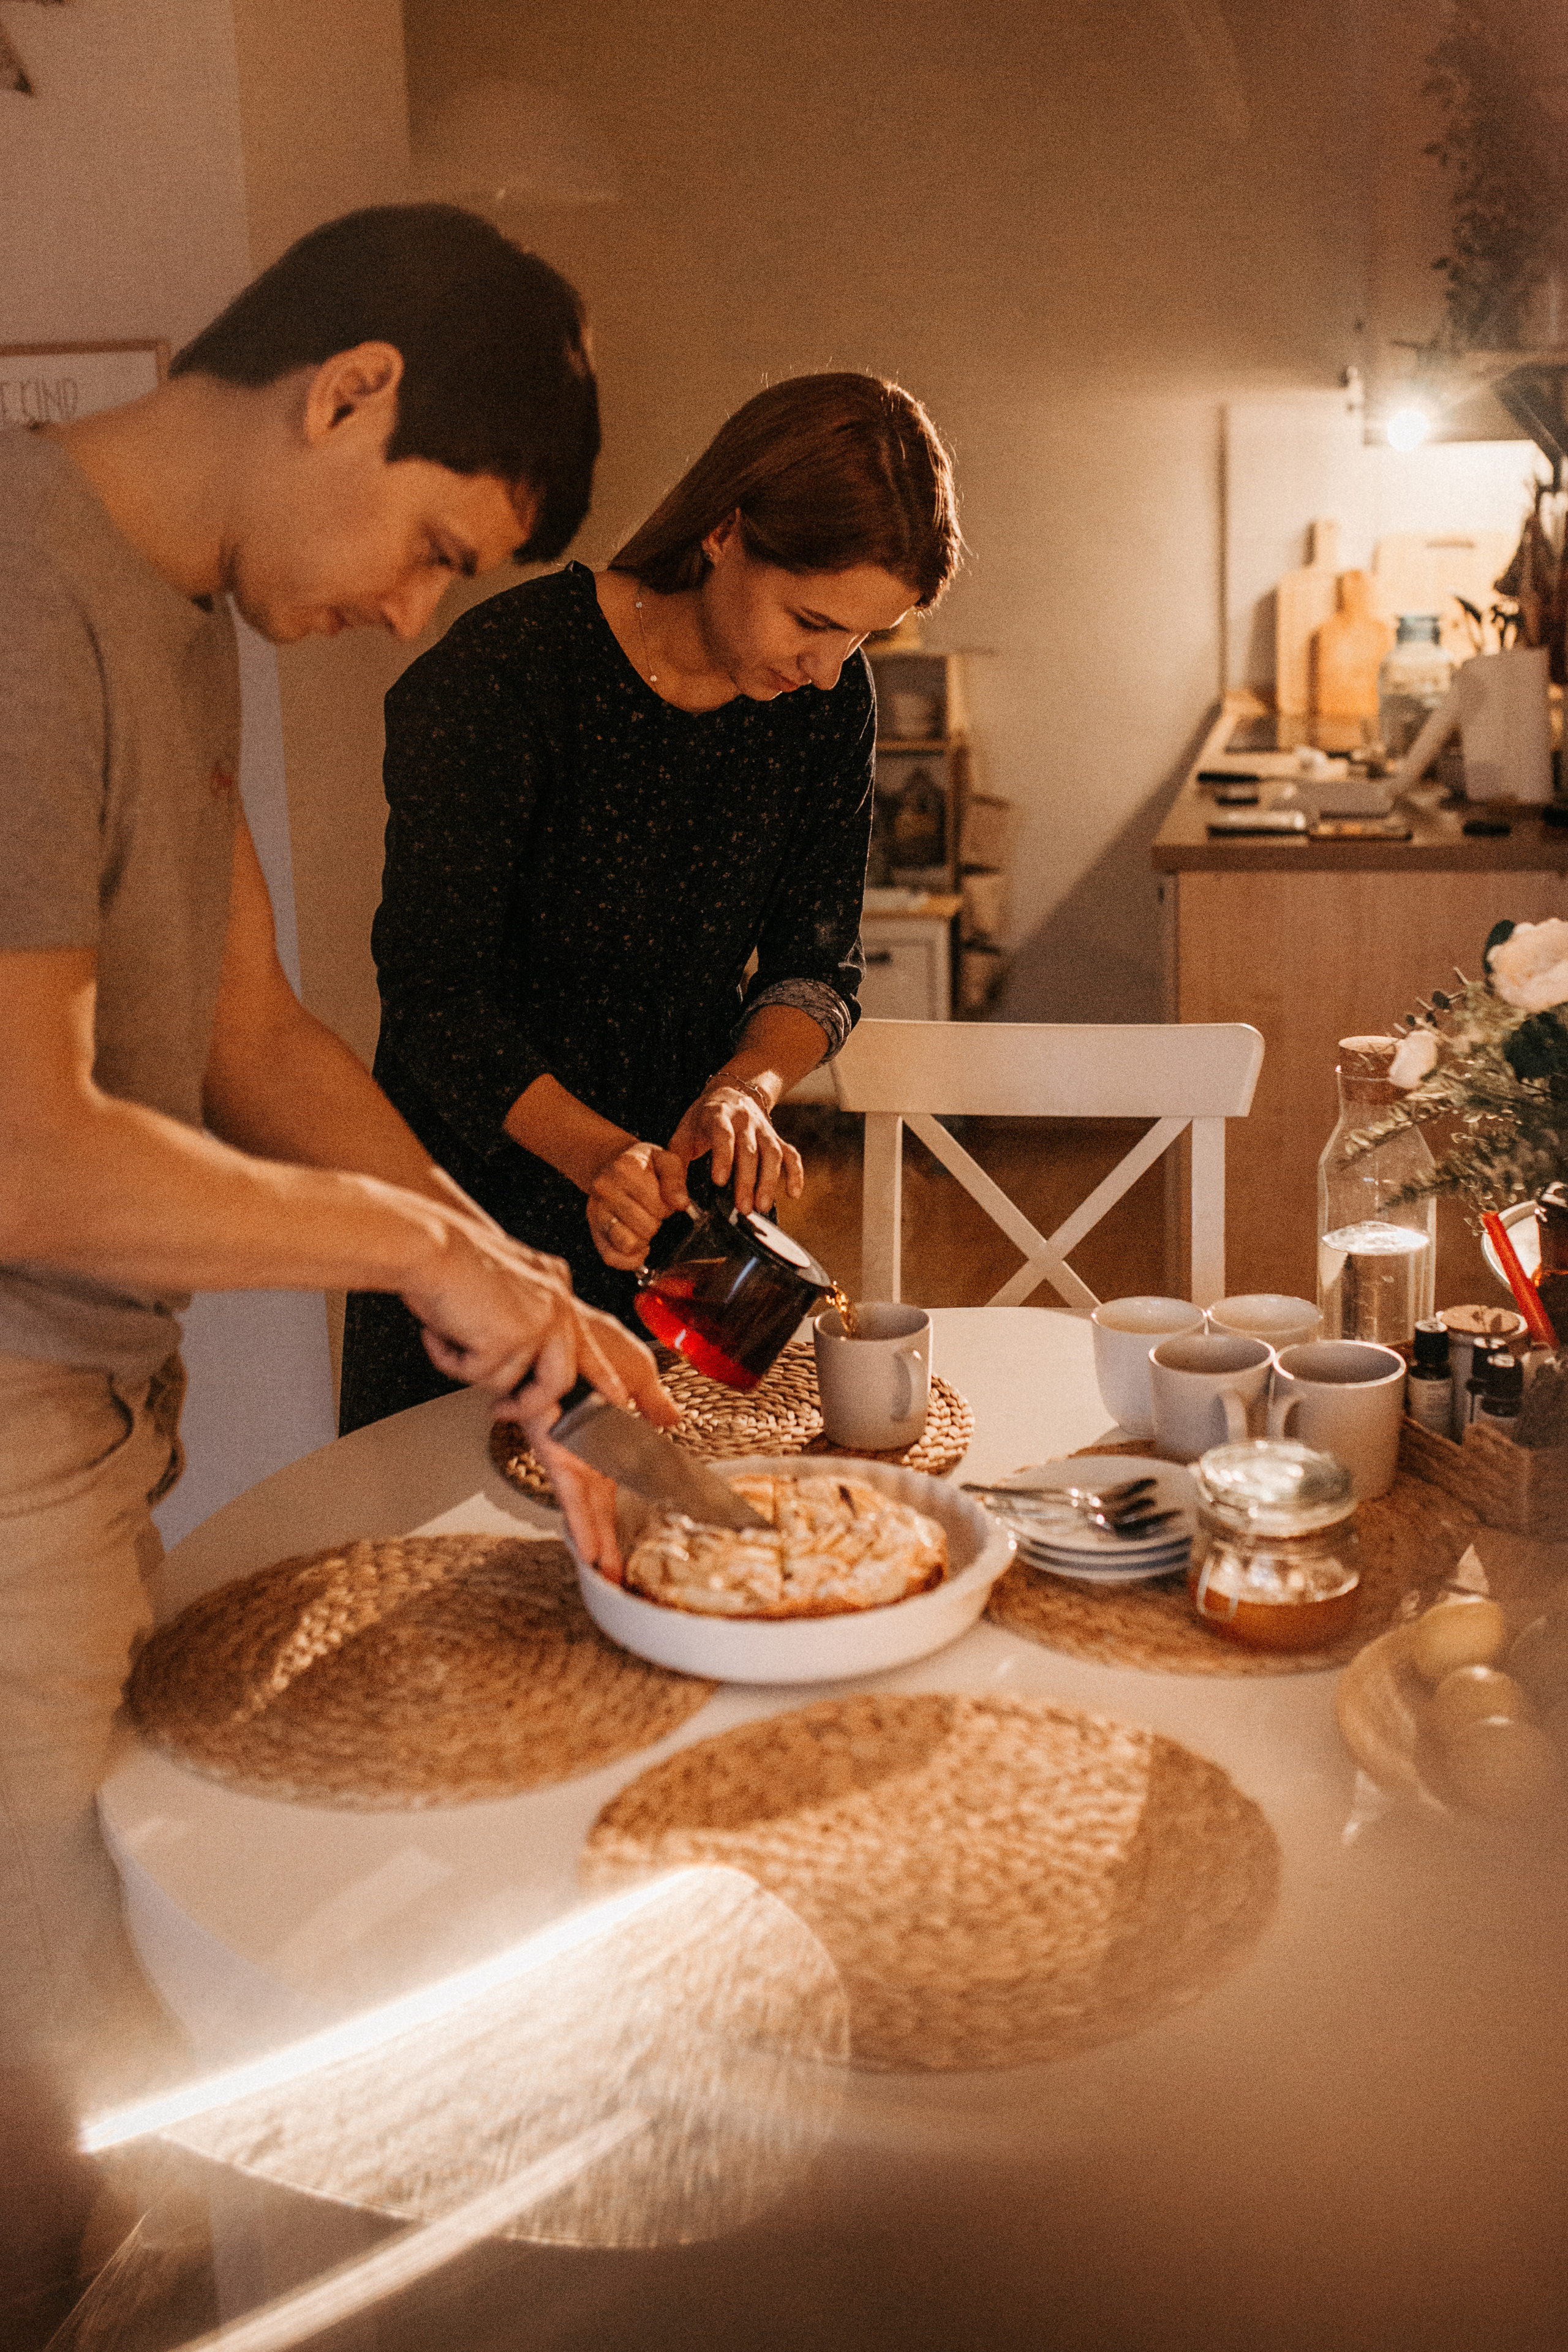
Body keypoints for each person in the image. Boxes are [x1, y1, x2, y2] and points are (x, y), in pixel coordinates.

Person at [0, 203, 674, 2343]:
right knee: (59, 2066)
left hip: (93, 1420)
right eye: (436, 550)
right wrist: (401, 1242)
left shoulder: (161, 608)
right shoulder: (20, 603)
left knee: (105, 2015)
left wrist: (499, 1262)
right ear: (350, 390)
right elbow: (24, 1151)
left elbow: (250, 1035)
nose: (404, 614)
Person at [340, 372, 960, 1433]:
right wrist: (597, 1154)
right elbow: (434, 998)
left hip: (678, 1204)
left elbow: (817, 961)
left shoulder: (822, 706)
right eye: (812, 621)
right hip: (479, 1195)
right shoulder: (505, 680)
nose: (825, 672)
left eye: (861, 640)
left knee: (675, 1540)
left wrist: (744, 1089)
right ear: (724, 532)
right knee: (462, 1563)